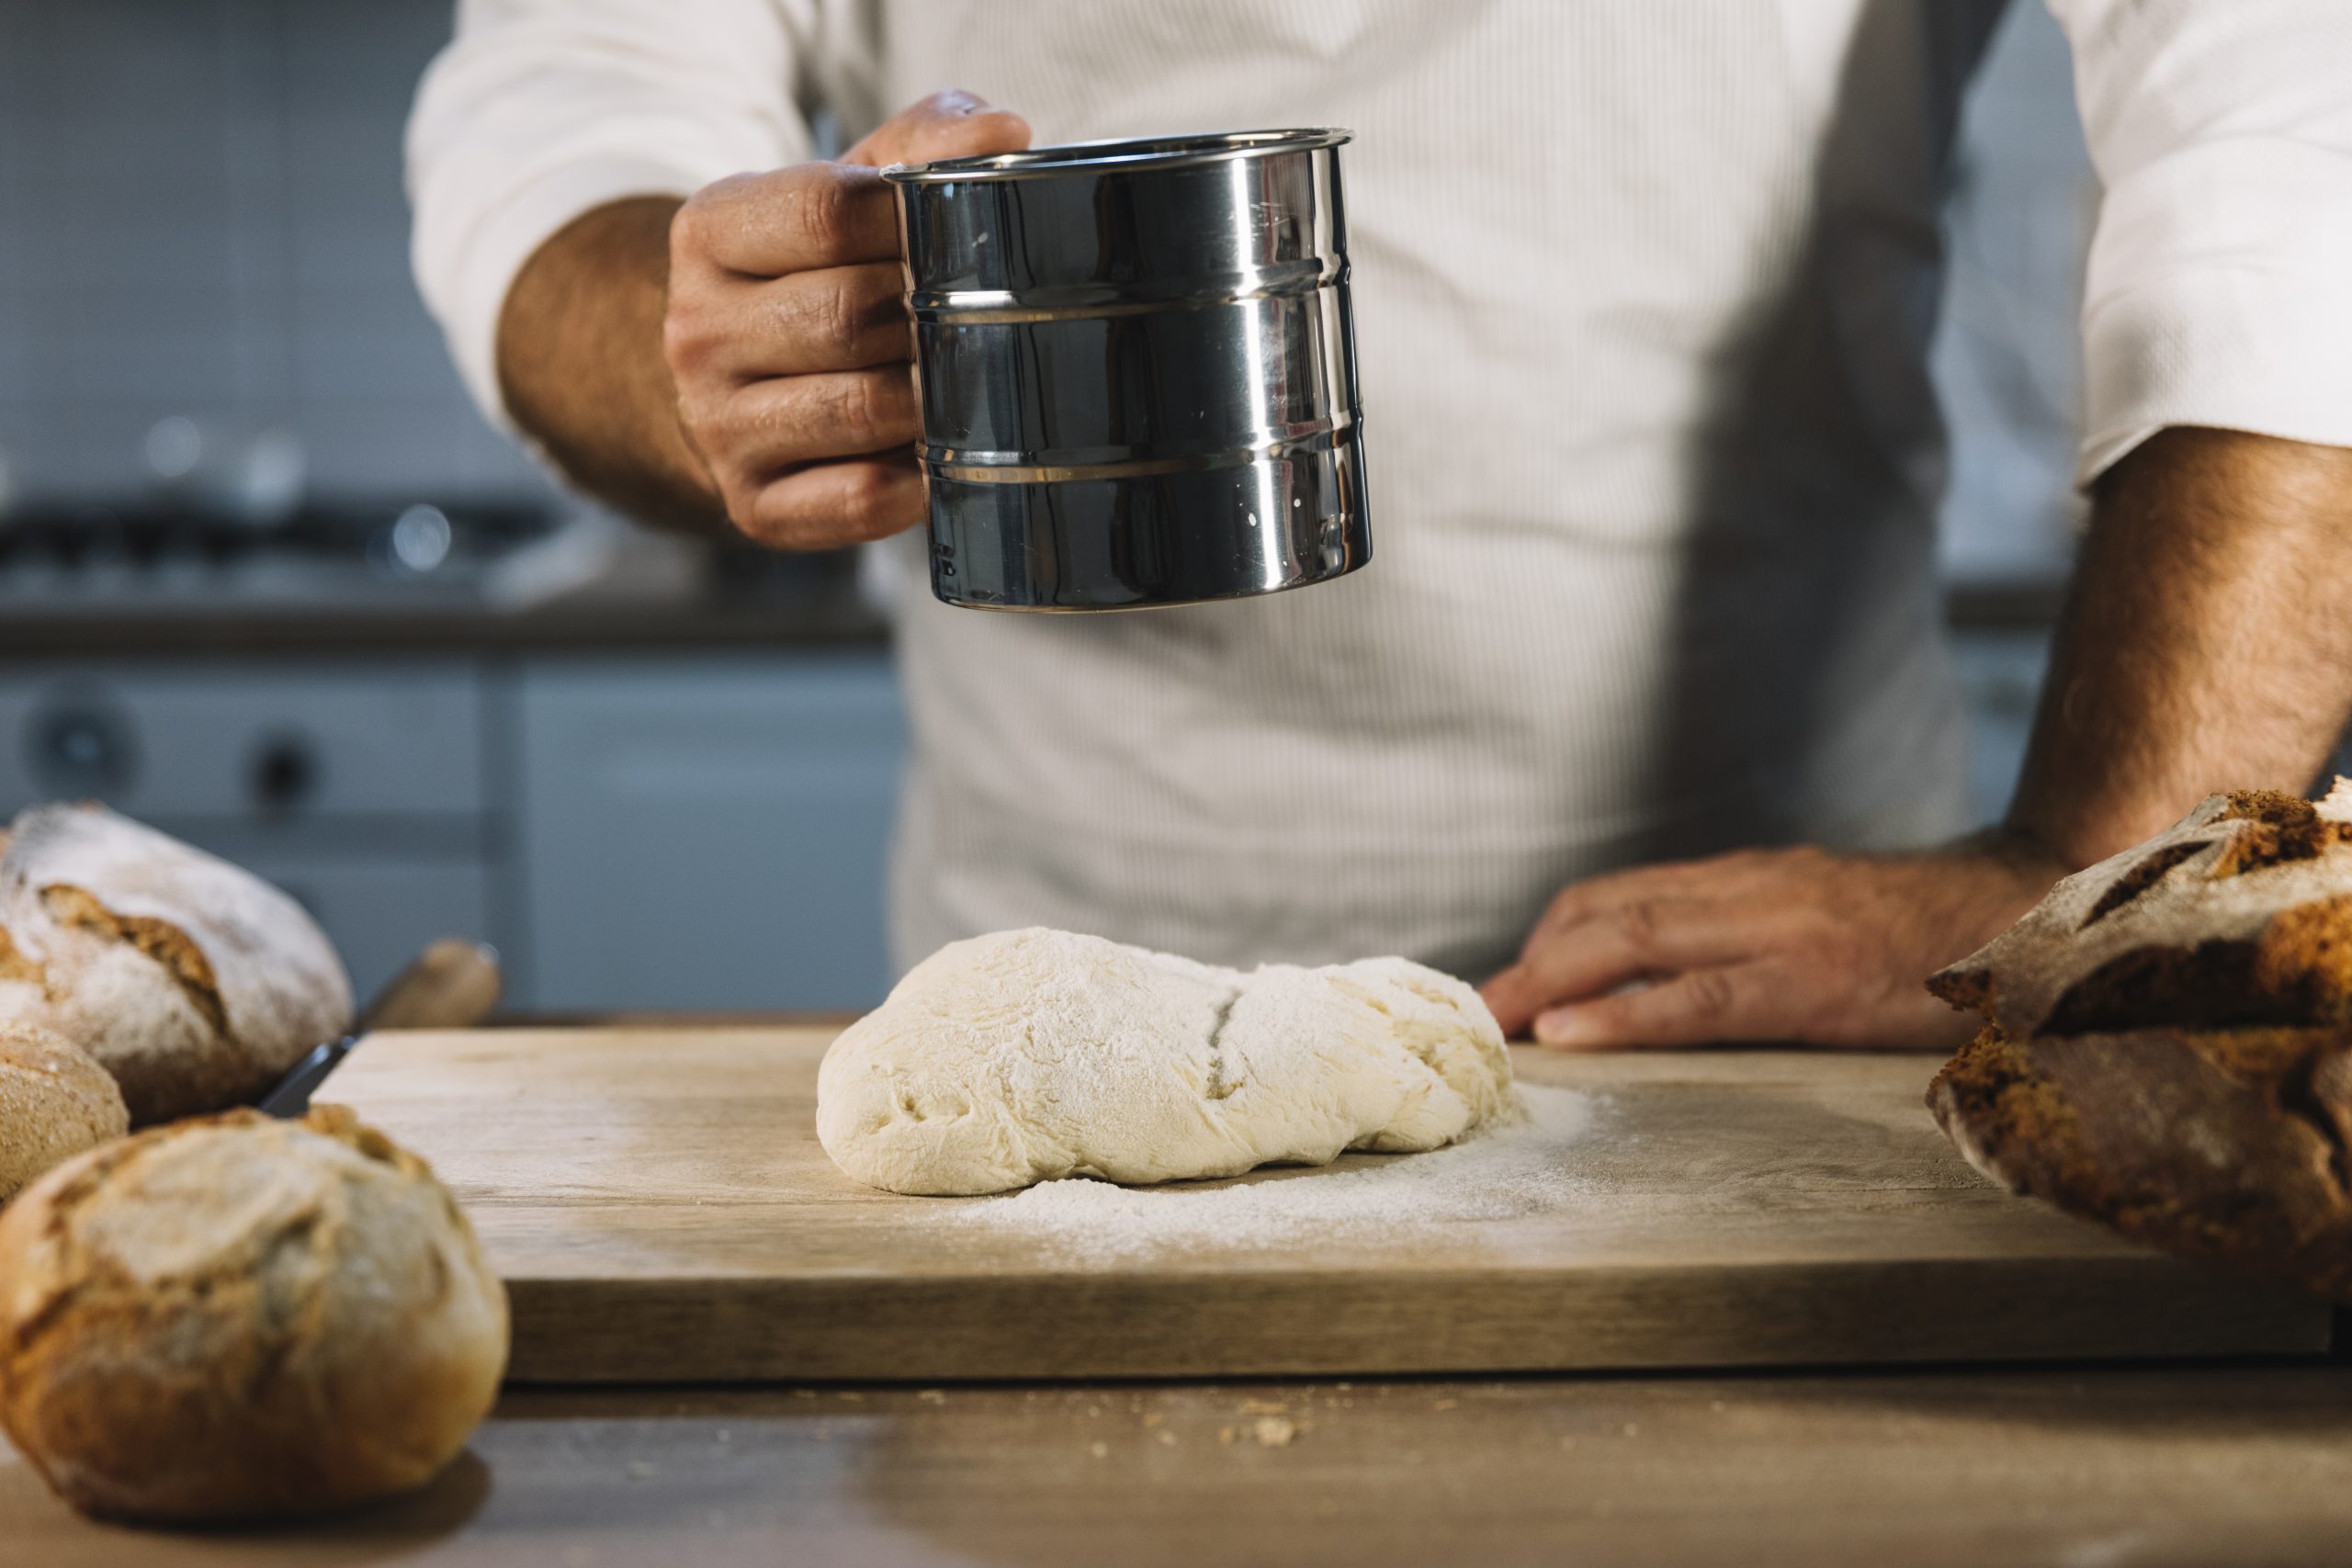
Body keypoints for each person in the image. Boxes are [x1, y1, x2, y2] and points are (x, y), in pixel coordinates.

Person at [409, 1, 2352, 1050]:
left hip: (1784, 1015)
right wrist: (706, 341)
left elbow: (2290, 153)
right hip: (1060, 1013)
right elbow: (566, 107)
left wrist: (2077, 884)